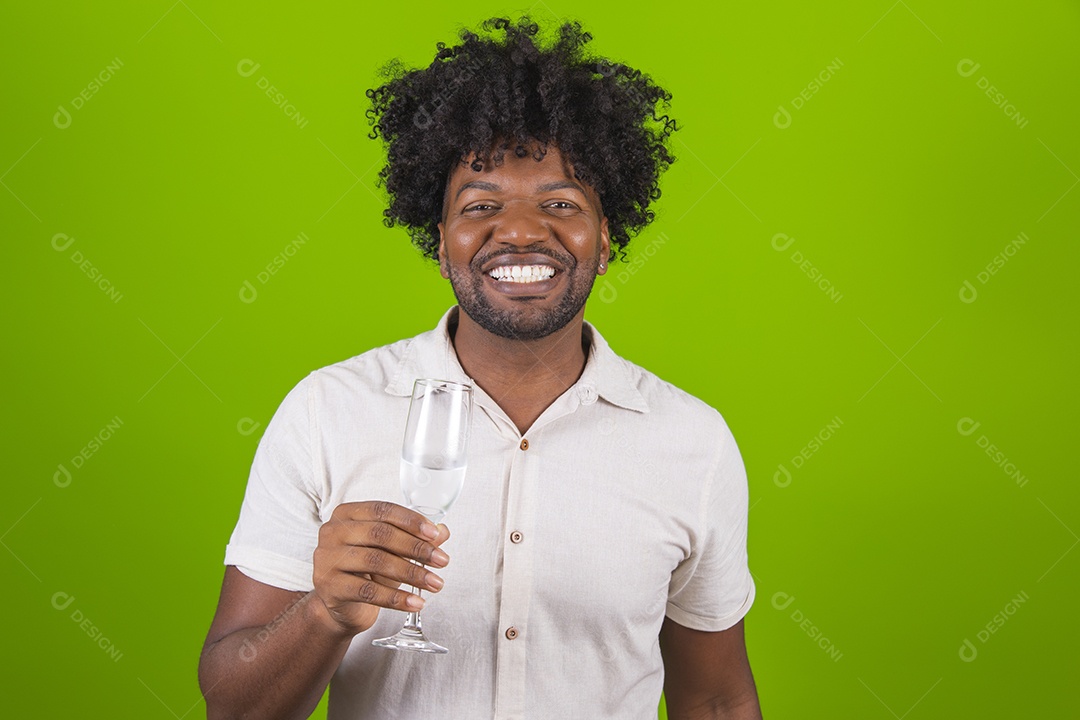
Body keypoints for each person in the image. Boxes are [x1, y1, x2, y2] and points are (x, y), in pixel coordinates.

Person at [199, 17, 761, 719]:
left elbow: (715, 699)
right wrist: (324, 614)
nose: (521, 230)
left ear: (604, 242)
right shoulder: (326, 412)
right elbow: (233, 706)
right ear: (442, 245)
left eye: (560, 203)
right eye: (482, 205)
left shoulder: (694, 442)